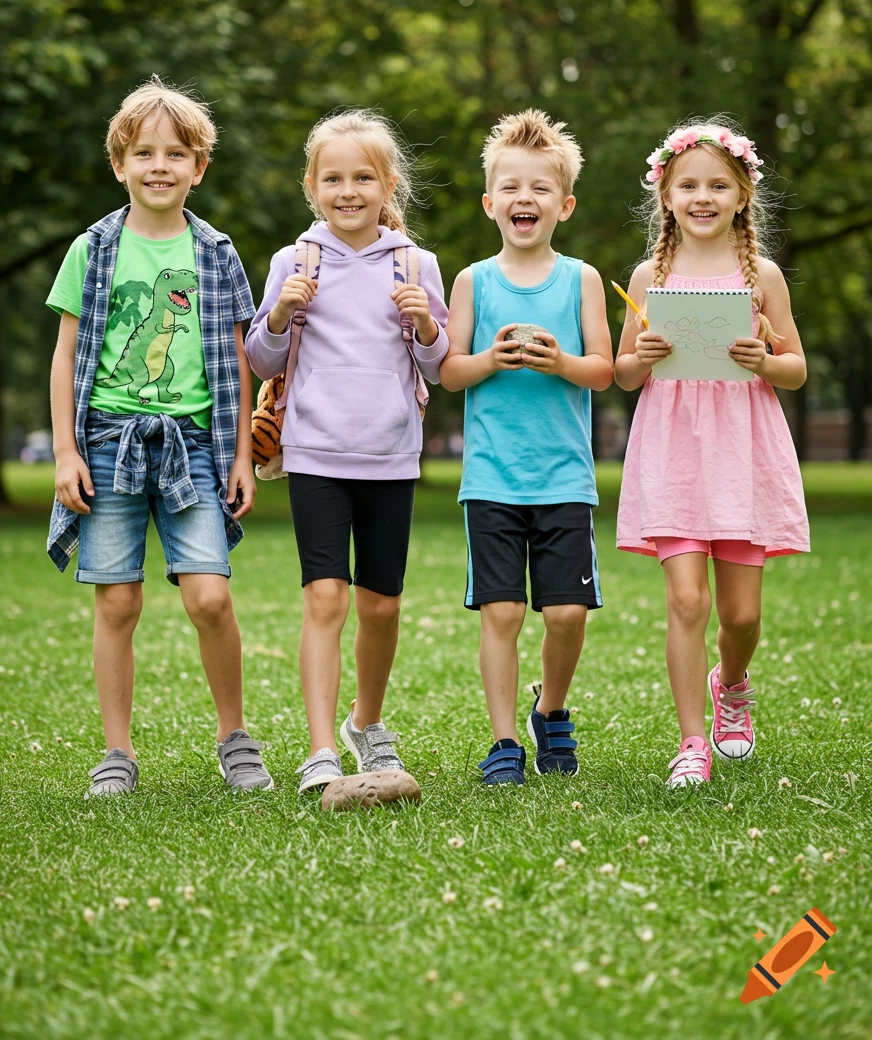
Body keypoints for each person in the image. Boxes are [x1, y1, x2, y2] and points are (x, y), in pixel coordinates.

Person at [47, 77, 272, 795]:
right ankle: (118, 752)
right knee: (117, 601)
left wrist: (239, 452)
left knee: (208, 596)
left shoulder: (216, 253)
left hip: (194, 445)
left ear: (199, 168)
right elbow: (66, 354)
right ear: (120, 164)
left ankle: (234, 737)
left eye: (176, 154)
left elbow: (238, 358)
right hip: (108, 441)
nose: (159, 166)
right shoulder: (93, 248)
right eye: (143, 153)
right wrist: (63, 450)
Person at [244, 110, 449, 793]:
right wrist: (278, 313)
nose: (348, 190)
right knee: (324, 596)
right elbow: (261, 355)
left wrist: (422, 322)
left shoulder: (416, 264)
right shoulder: (292, 261)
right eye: (333, 177)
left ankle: (368, 723)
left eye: (363, 176)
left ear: (387, 184)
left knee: (381, 604)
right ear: (312, 186)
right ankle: (321, 749)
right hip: (316, 453)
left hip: (390, 454)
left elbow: (440, 365)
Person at [615, 120, 809, 788]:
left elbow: (797, 370)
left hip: (742, 448)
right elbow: (623, 375)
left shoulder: (764, 275)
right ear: (665, 194)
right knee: (688, 602)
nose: (703, 196)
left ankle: (731, 681)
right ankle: (692, 742)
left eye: (718, 185)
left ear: (742, 193)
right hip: (672, 448)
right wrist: (637, 355)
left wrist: (766, 358)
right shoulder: (650, 274)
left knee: (742, 615)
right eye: (689, 185)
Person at [440, 110, 614, 786]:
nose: (524, 199)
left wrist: (558, 362)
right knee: (504, 609)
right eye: (511, 188)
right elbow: (449, 371)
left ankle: (554, 707)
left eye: (540, 189)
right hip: (491, 478)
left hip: (564, 477)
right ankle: (505, 741)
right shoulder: (473, 282)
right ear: (490, 203)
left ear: (563, 205)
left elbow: (602, 368)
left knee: (566, 613)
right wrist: (491, 357)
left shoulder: (582, 279)